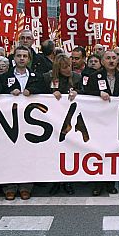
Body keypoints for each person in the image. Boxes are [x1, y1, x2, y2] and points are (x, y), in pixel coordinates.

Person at [0, 46, 46, 200]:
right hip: (8, 121)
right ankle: (9, 186)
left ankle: (26, 186)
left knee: (27, 154)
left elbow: (44, 90)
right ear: (14, 58)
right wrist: (10, 91)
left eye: (25, 56)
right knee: (8, 154)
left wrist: (31, 90)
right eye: (19, 55)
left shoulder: (36, 76)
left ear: (29, 59)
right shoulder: (4, 77)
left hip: (30, 123)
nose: (22, 58)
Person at [83, 50, 119, 196]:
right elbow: (85, 94)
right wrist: (99, 93)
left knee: (112, 151)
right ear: (102, 61)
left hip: (116, 121)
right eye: (108, 58)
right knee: (98, 150)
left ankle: (110, 182)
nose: (111, 61)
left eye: (114, 58)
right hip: (98, 120)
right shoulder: (93, 77)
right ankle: (98, 183)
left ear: (118, 61)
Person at [43, 54, 81, 196]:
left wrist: (77, 92)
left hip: (70, 120)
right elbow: (40, 93)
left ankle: (68, 181)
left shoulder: (76, 78)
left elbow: (85, 92)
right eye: (64, 67)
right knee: (54, 150)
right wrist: (51, 93)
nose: (68, 70)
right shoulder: (48, 77)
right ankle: (55, 181)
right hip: (53, 119)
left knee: (69, 150)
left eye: (69, 66)